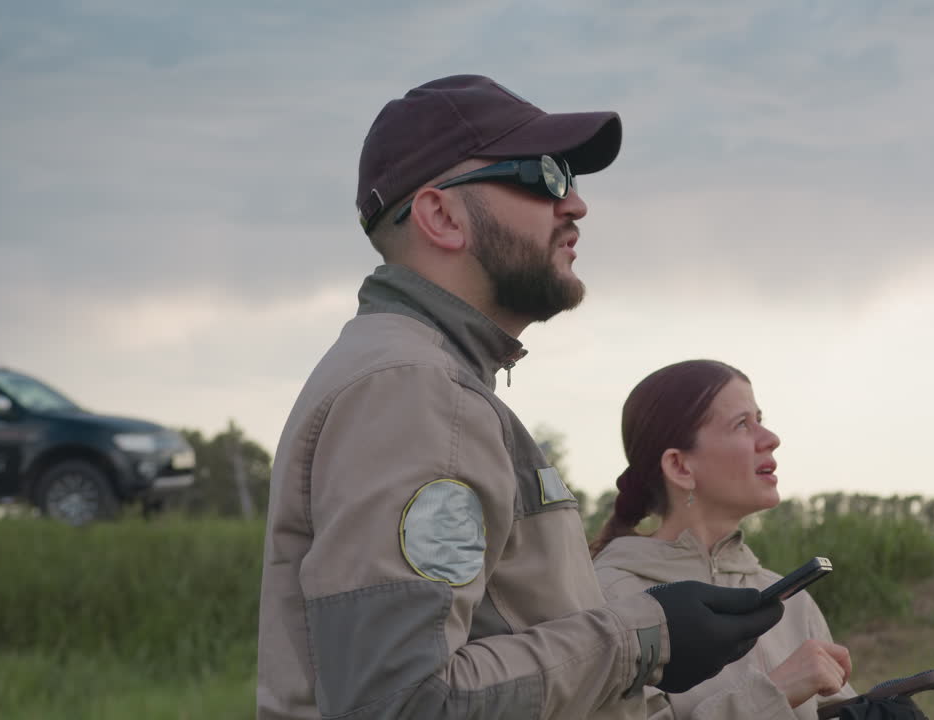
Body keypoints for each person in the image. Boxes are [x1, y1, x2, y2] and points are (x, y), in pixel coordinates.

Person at [255, 76, 784, 720]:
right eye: (543, 176)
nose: (576, 204)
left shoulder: (421, 380)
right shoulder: (414, 393)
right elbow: (400, 701)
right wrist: (645, 635)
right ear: (441, 216)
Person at [592, 360, 928, 720]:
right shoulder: (608, 598)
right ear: (680, 467)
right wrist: (777, 693)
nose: (770, 438)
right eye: (741, 424)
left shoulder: (791, 599)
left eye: (760, 419)